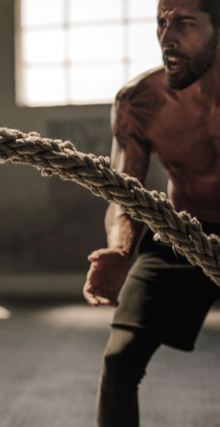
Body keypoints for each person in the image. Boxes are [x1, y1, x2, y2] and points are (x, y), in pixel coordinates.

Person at [83, 0, 220, 425]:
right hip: (182, 233)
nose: (166, 36)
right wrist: (121, 249)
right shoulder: (139, 103)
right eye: (161, 22)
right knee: (120, 361)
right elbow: (126, 191)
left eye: (184, 22)